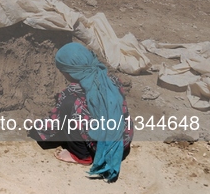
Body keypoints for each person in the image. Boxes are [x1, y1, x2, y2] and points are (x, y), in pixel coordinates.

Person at [29, 42, 133, 182]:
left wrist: (34, 126)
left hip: (101, 148)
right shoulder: (110, 79)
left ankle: (81, 155)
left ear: (70, 72)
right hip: (123, 141)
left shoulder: (71, 94)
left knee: (68, 110)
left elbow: (53, 125)